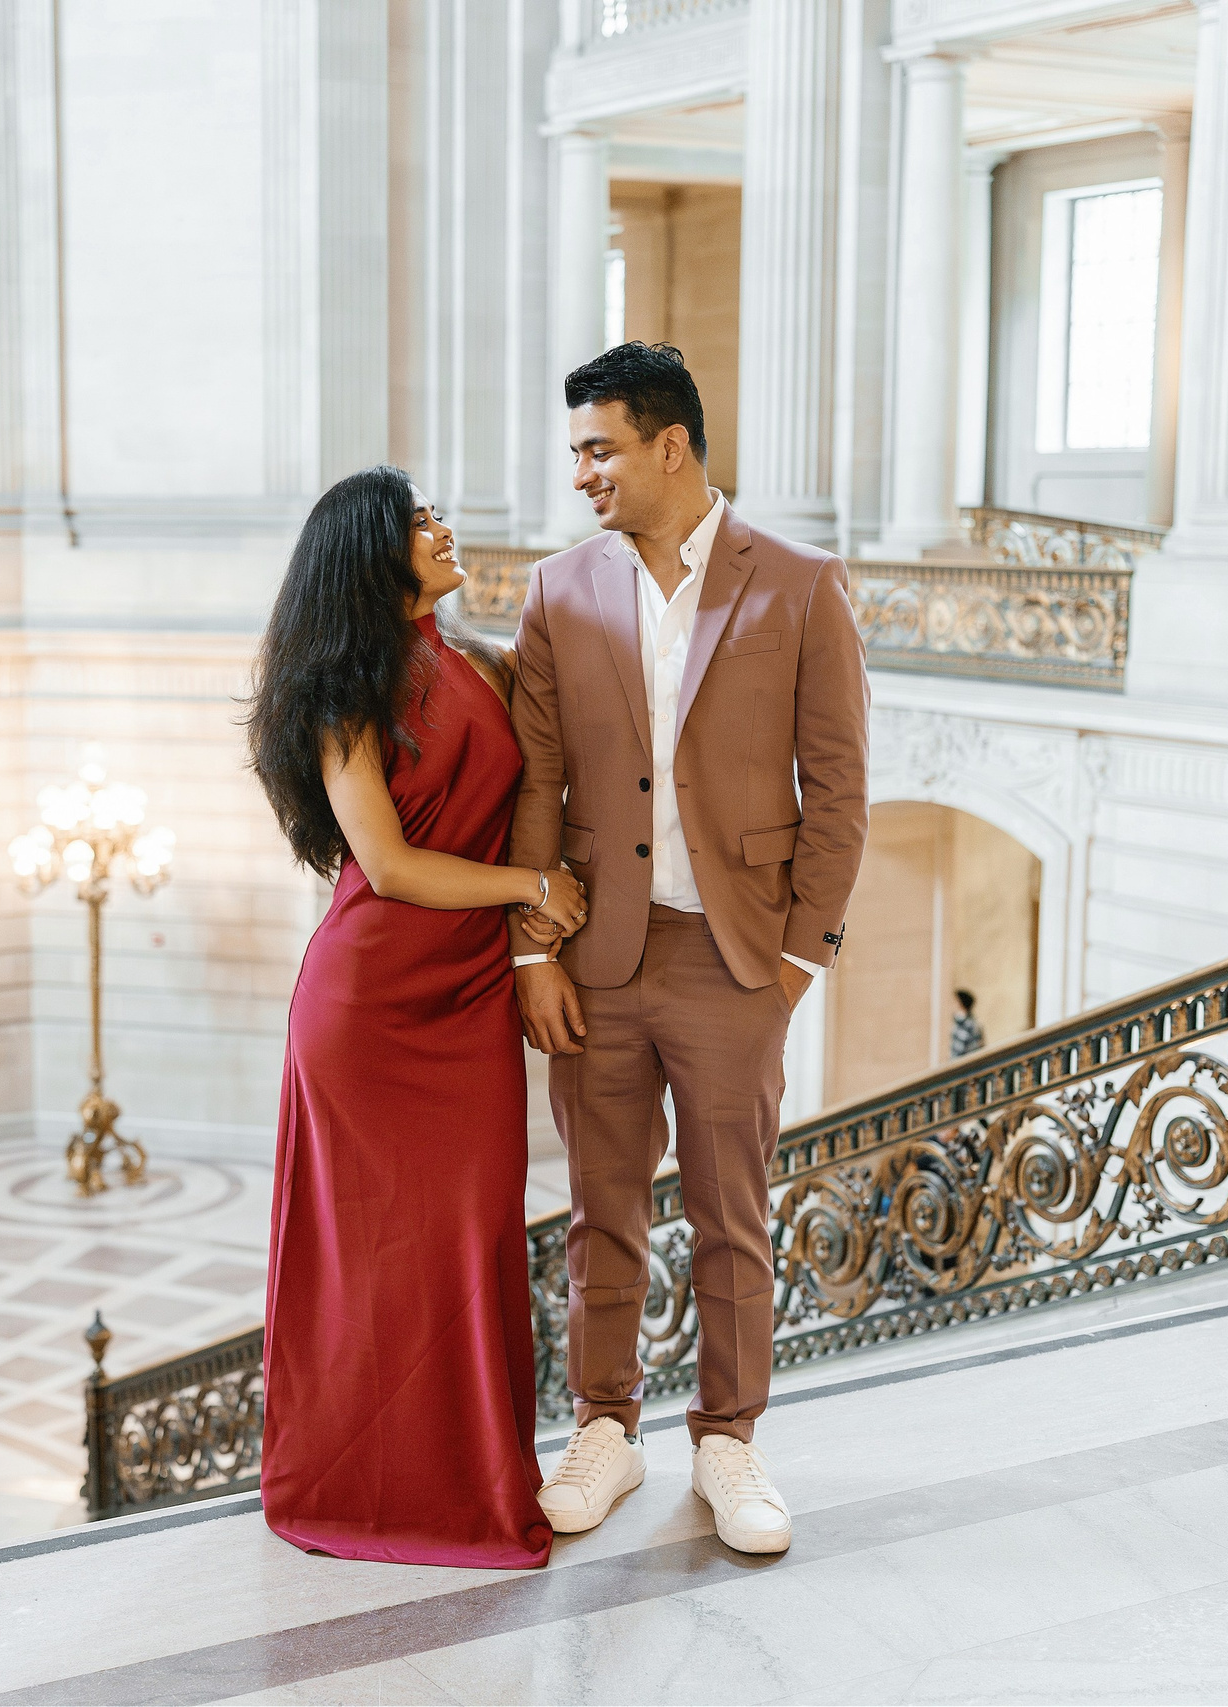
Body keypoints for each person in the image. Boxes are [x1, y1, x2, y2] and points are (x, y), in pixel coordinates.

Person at [510, 342, 869, 1557]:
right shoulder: (557, 589)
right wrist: (531, 954)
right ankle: (604, 1428)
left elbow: (839, 786)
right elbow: (537, 784)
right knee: (598, 1208)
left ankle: (729, 1443)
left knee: (733, 1213)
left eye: (598, 450)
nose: (582, 476)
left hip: (734, 959)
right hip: (597, 955)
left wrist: (797, 960)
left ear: (671, 446)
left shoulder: (801, 584)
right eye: (575, 455)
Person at [244, 467, 586, 1570]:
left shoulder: (476, 656)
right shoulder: (346, 691)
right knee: (369, 1261)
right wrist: (531, 893)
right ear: (372, 555)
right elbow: (386, 868)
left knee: (470, 1240)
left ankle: (474, 1488)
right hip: (370, 1006)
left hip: (468, 995)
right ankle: (351, 1489)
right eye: (421, 520)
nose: (445, 528)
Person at [950, 988, 985, 1058]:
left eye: (954, 1002)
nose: (951, 1005)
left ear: (960, 1004)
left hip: (966, 1065)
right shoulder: (959, 1023)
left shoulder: (969, 1025)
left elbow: (974, 1049)